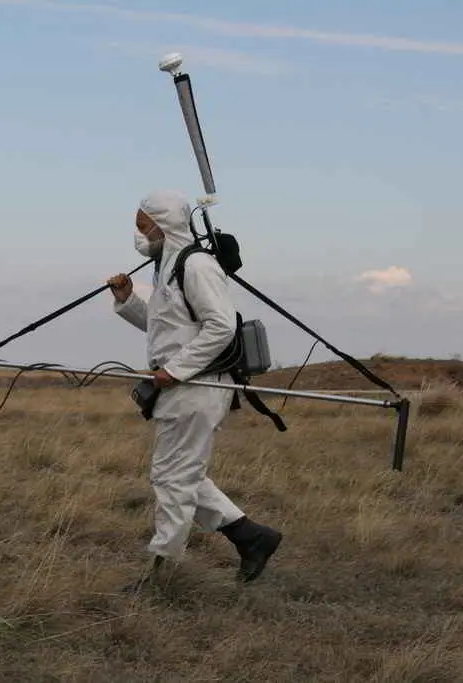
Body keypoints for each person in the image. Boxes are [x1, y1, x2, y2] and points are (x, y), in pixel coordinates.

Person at [107, 189, 282, 590]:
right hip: (180, 386)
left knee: (172, 479)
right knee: (179, 473)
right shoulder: (165, 267)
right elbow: (167, 329)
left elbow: (221, 326)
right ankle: (252, 537)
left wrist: (176, 370)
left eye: (142, 225)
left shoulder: (196, 265)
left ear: (163, 223)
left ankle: (162, 573)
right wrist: (129, 301)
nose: (138, 234)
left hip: (197, 386)